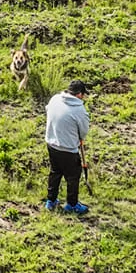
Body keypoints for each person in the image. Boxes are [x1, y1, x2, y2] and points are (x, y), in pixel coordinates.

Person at [43, 80, 90, 215]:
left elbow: (48, 111)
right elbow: (83, 132)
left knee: (55, 172)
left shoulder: (55, 99)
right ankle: (72, 204)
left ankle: (51, 201)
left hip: (51, 144)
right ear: (80, 94)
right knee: (73, 176)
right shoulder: (79, 110)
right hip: (68, 149)